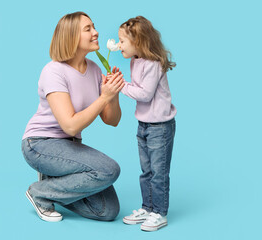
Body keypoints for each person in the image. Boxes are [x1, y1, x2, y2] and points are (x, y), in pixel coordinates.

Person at [22, 11, 125, 222]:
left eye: (94, 27)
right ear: (71, 37)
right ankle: (39, 192)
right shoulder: (53, 71)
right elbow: (69, 125)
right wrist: (103, 97)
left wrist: (112, 96)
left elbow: (112, 120)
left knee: (107, 211)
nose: (96, 32)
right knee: (109, 170)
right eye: (88, 29)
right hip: (41, 144)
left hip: (71, 146)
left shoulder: (95, 70)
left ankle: (53, 182)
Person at [117, 16, 176, 232]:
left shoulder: (153, 63)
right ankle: (148, 207)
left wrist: (121, 86)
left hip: (160, 127)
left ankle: (159, 213)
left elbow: (144, 94)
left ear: (139, 42)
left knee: (158, 173)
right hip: (143, 124)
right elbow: (136, 85)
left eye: (123, 41)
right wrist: (122, 81)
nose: (119, 45)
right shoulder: (135, 60)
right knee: (147, 171)